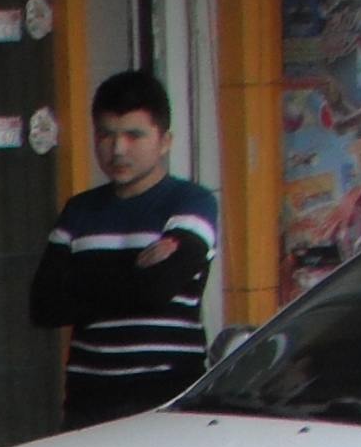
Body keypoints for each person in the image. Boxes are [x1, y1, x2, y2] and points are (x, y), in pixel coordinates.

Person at [31, 68, 221, 427]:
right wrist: (135, 267)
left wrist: (81, 278)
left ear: (165, 140)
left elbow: (157, 289)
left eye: (134, 135)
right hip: (88, 399)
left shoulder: (191, 202)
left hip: (167, 396)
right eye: (106, 135)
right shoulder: (79, 210)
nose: (118, 149)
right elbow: (43, 305)